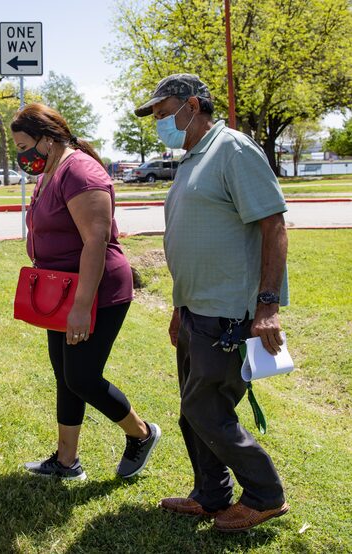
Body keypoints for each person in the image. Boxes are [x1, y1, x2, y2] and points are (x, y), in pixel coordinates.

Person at [134, 73, 290, 532]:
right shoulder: (190, 160)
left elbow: (274, 226)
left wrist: (267, 306)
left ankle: (265, 494)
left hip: (229, 313)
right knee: (192, 409)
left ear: (194, 105)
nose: (160, 123)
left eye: (165, 113)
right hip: (196, 310)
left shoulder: (233, 149)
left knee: (207, 410)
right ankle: (211, 494)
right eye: (157, 116)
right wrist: (179, 308)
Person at [10, 103, 161, 481]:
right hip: (61, 289)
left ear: (47, 140)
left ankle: (141, 434)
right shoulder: (51, 170)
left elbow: (95, 243)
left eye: (24, 144)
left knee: (82, 376)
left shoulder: (80, 171)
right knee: (65, 375)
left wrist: (80, 308)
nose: (21, 154)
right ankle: (66, 461)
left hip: (97, 291)